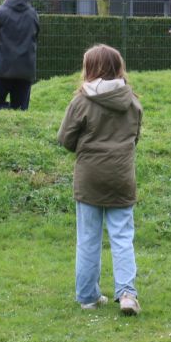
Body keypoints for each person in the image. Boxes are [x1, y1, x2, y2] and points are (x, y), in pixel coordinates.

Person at [58, 44, 143, 315]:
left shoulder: (81, 101)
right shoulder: (132, 101)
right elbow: (135, 138)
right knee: (122, 237)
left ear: (90, 68)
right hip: (121, 175)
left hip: (89, 176)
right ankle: (127, 294)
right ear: (118, 67)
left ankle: (87, 297)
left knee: (88, 238)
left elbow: (65, 139)